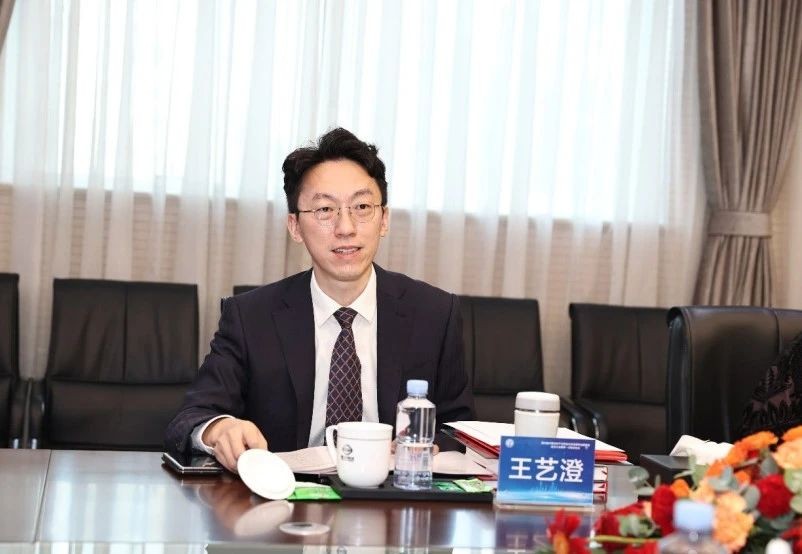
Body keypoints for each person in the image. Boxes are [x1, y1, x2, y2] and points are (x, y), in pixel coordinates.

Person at [165, 127, 474, 471]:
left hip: (392, 494)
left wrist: (429, 445)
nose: (346, 227)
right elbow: (191, 418)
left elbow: (459, 429)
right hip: (284, 496)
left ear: (384, 219)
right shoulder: (251, 317)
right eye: (325, 209)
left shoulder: (434, 314)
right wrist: (220, 429)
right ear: (295, 226)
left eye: (362, 206)